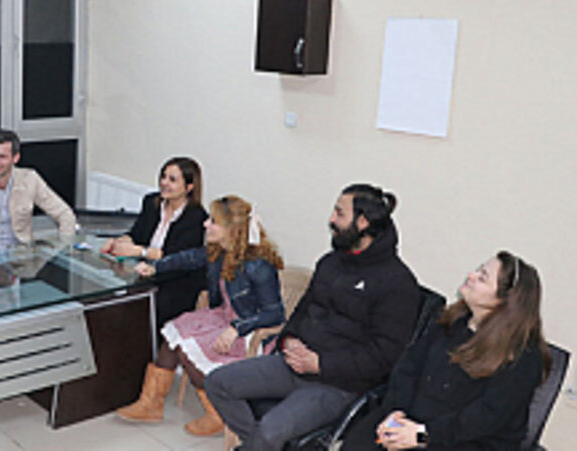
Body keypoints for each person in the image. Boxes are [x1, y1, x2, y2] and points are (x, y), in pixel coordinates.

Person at [205, 183, 421, 451]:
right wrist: (289, 341)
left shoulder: (397, 283)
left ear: (363, 222)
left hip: (339, 384)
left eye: (339, 213)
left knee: (270, 431)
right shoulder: (330, 263)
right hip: (294, 363)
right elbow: (302, 312)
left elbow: (383, 357)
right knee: (218, 383)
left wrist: (320, 364)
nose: (331, 219)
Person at [342, 251, 550, 451]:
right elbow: (408, 367)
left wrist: (421, 435)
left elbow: (483, 419)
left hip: (464, 441)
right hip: (414, 422)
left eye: (482, 278)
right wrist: (396, 412)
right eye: (478, 270)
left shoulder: (523, 359)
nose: (471, 275)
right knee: (360, 441)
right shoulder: (452, 321)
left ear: (505, 301)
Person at [117, 195, 285, 438]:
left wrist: (236, 328)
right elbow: (187, 258)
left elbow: (275, 313)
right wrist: (155, 267)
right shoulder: (219, 252)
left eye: (213, 221)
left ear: (231, 229)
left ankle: (218, 413)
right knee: (173, 332)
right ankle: (151, 403)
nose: (206, 224)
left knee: (186, 350)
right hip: (223, 317)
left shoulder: (259, 265)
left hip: (247, 331)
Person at [100, 157, 209, 331]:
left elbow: (176, 256)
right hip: (144, 274)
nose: (164, 183)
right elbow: (136, 234)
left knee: (140, 309)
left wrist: (139, 251)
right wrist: (118, 241)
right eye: (163, 177)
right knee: (109, 298)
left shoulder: (197, 217)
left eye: (172, 180)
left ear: (189, 187)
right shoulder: (151, 202)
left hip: (176, 281)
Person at [0, 129, 76, 252]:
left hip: (23, 257)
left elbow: (65, 214)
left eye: (2, 157)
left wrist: (64, 248)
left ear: (16, 158)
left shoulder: (30, 179)